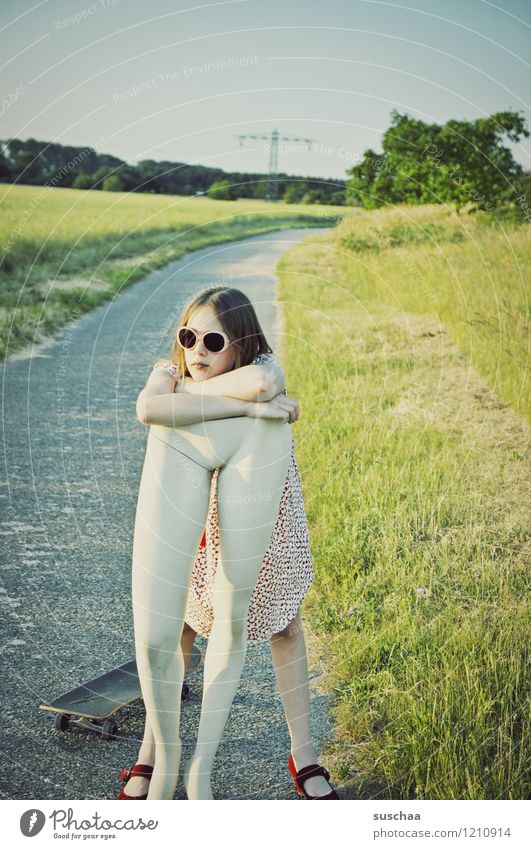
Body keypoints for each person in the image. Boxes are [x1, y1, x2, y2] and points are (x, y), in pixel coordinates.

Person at [118, 286, 338, 800]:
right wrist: (250, 408)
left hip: (261, 503)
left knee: (283, 624)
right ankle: (151, 752)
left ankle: (303, 752)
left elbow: (262, 382)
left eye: (213, 340)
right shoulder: (169, 371)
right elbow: (149, 407)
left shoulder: (262, 364)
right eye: (188, 336)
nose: (197, 350)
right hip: (195, 506)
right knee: (184, 627)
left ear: (239, 342)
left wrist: (198, 400)